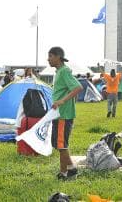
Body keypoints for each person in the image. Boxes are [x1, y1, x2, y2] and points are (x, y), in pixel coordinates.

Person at [47, 46, 83, 180]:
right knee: (58, 145)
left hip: (64, 115)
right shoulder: (59, 72)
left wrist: (61, 101)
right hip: (58, 114)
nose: (48, 59)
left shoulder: (64, 71)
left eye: (50, 56)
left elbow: (78, 87)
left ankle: (70, 170)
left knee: (61, 145)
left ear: (58, 57)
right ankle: (64, 172)